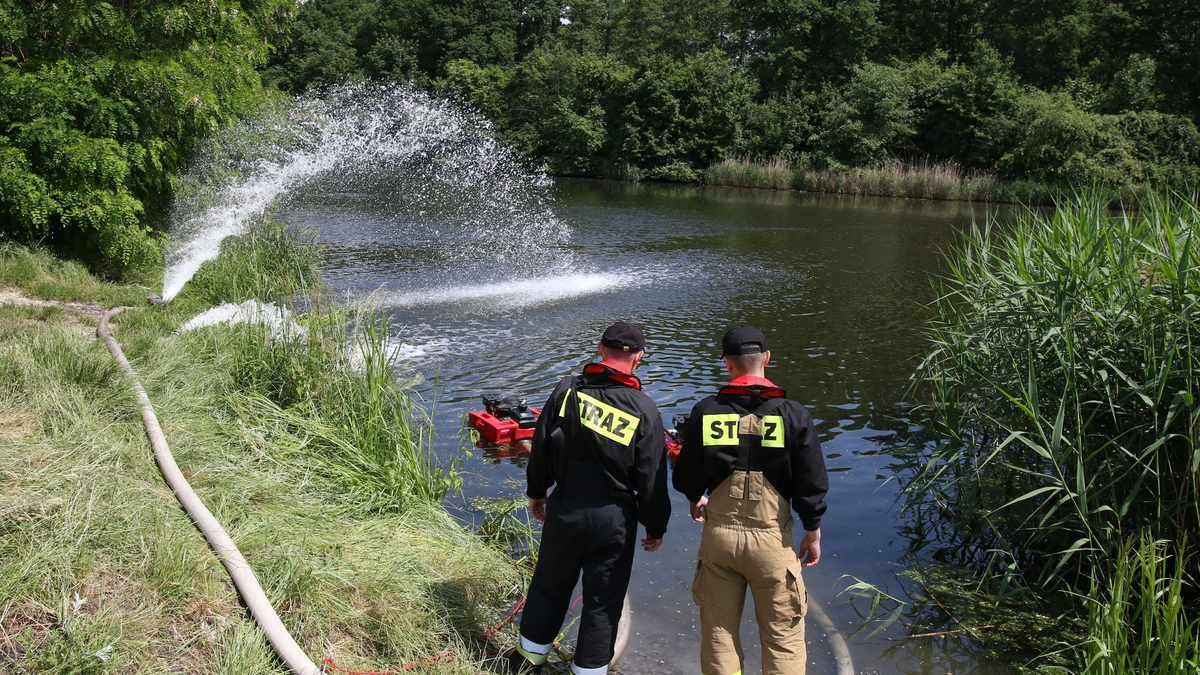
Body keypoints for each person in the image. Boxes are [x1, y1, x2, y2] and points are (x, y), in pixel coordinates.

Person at [507, 321, 672, 675]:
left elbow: (541, 449)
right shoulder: (644, 408)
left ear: (600, 349)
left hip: (566, 507)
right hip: (614, 518)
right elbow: (652, 479)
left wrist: (537, 493)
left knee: (549, 587)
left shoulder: (567, 391)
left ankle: (526, 662)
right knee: (603, 603)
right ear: (638, 358)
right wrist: (655, 526)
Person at [672, 325, 829, 675]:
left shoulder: (707, 411)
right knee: (783, 638)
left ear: (727, 363)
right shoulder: (794, 414)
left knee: (719, 635)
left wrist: (696, 497)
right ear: (767, 358)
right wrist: (813, 531)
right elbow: (812, 483)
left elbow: (684, 476)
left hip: (719, 540)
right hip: (773, 543)